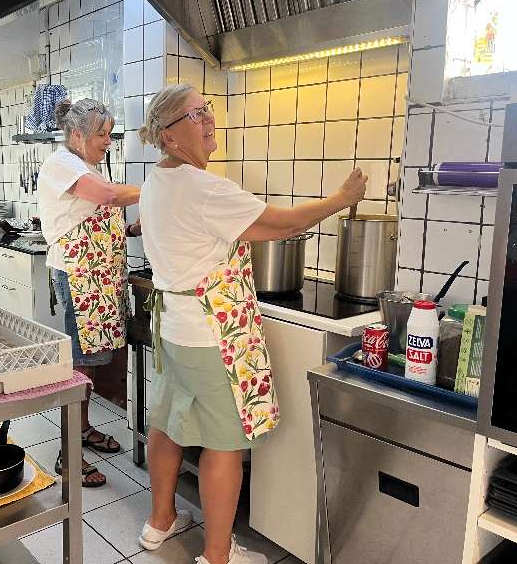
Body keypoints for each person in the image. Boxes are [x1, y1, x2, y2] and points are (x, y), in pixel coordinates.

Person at [136, 83, 367, 564]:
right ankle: (218, 556)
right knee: (224, 445)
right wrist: (341, 197)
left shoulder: (157, 179)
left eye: (207, 109)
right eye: (195, 114)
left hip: (175, 330)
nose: (208, 119)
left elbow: (257, 228)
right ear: (170, 136)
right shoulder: (204, 188)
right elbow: (285, 225)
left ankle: (159, 522)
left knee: (168, 424)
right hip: (212, 336)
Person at [37, 97, 141, 488]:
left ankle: (81, 431)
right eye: (102, 135)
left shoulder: (85, 167)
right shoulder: (61, 163)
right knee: (79, 365)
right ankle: (68, 453)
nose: (108, 142)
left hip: (98, 279)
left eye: (110, 135)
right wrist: (161, 187)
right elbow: (107, 196)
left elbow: (94, 220)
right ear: (77, 134)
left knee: (91, 361)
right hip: (79, 278)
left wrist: (130, 230)